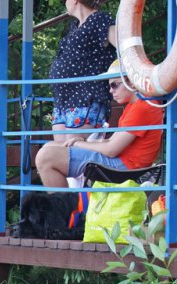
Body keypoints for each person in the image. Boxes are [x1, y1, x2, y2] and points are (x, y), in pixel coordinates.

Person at [36, 60, 164, 188]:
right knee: (49, 146)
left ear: (132, 82)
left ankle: (66, 206)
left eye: (114, 85)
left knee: (46, 156)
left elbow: (111, 150)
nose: (110, 91)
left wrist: (78, 143)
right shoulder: (136, 105)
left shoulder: (142, 108)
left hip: (123, 167)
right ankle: (70, 201)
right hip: (122, 163)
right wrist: (81, 141)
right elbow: (111, 142)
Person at [49, 0, 117, 142]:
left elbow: (124, 47)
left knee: (74, 150)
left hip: (86, 97)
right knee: (59, 152)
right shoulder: (74, 26)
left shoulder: (100, 19)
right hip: (63, 101)